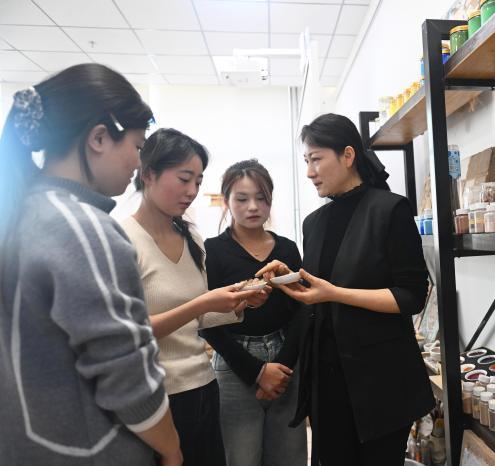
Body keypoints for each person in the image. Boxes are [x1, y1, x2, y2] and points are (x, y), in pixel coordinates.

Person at [0, 64, 181, 465]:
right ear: (99, 138)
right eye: (137, 147)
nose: (138, 164)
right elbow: (128, 377)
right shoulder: (82, 230)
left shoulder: (19, 213)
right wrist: (171, 448)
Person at [258, 113, 434, 466]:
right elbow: (321, 289)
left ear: (348, 155)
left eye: (316, 159)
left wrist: (335, 293)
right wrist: (292, 278)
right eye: (306, 161)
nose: (310, 172)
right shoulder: (315, 222)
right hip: (327, 382)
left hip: (380, 383)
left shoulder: (390, 210)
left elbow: (411, 296)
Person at [121, 128, 262, 466]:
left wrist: (239, 302)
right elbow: (131, 332)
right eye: (184, 179)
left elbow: (196, 319)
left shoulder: (191, 237)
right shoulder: (123, 240)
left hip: (202, 386)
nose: (192, 191)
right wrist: (204, 302)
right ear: (148, 174)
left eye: (198, 182)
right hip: (157, 397)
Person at [200, 159, 307, 466]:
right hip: (234, 362)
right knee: (240, 457)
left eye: (261, 198)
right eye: (242, 199)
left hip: (286, 359)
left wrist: (281, 368)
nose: (253, 207)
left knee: (289, 456)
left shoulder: (287, 249)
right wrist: (257, 372)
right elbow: (207, 321)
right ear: (226, 201)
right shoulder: (212, 251)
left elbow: (303, 310)